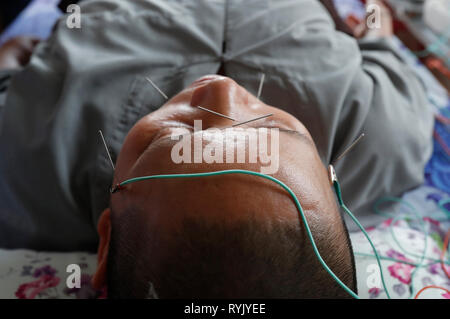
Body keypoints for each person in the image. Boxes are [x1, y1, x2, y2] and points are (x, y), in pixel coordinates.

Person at [0, 0, 433, 298]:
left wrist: (13, 55)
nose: (222, 91)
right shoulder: (387, 142)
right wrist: (373, 13)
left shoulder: (22, 168)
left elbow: (10, 71)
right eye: (276, 125)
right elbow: (380, 36)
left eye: (173, 138)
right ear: (334, 193)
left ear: (106, 241)